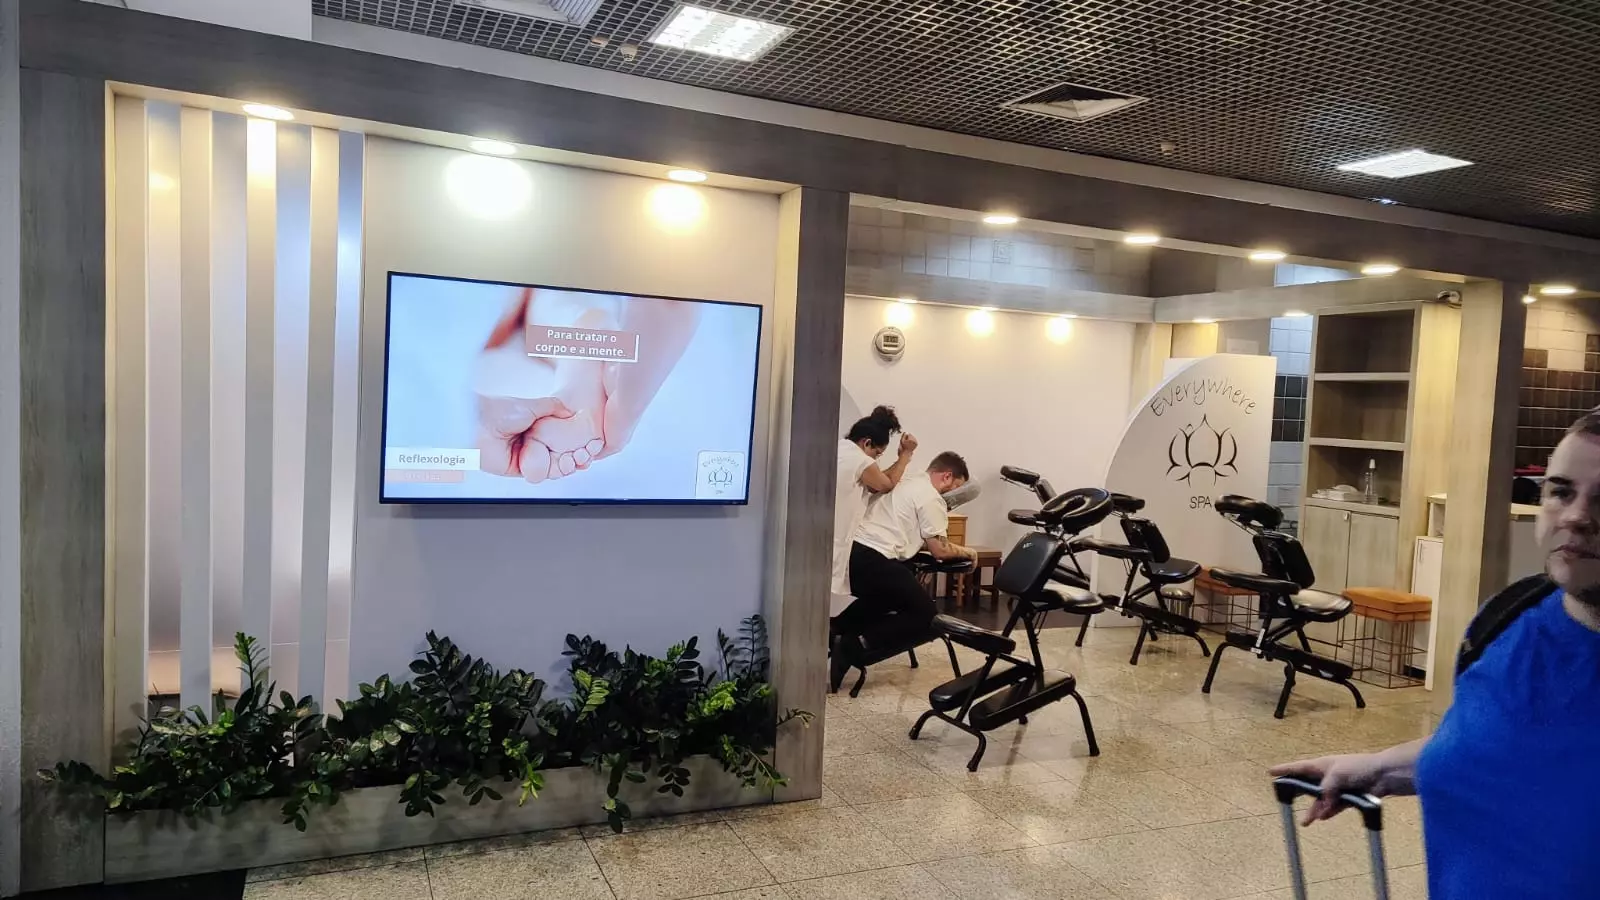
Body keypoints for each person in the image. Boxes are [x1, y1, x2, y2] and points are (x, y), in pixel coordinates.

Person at [1271, 409, 1600, 898]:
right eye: (1561, 492)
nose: (1576, 516)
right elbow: (1496, 746)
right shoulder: (1507, 620)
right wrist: (1383, 767)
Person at [833, 451, 977, 680]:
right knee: (926, 614)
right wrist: (970, 552)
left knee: (886, 598)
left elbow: (910, 534)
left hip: (850, 554)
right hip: (872, 556)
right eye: (954, 487)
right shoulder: (931, 497)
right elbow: (940, 549)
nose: (951, 492)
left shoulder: (906, 481)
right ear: (947, 476)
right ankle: (853, 647)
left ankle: (834, 631)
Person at [832, 407, 919, 617]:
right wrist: (905, 455)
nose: (876, 459)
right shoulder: (860, 459)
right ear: (866, 443)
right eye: (877, 453)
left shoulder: (840, 449)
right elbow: (886, 484)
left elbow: (875, 480)